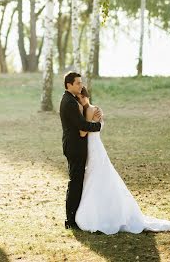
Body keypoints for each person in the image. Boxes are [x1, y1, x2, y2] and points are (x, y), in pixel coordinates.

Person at [74, 86, 170, 234]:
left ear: (86, 96)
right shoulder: (95, 109)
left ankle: (99, 214)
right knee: (98, 174)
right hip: (95, 145)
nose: (81, 100)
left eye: (82, 97)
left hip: (93, 146)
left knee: (96, 174)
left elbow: (84, 130)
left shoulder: (90, 110)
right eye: (79, 98)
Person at [59, 72, 103, 229]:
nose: (81, 85)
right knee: (75, 182)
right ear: (68, 85)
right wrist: (98, 126)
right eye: (77, 83)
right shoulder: (69, 102)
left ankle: (74, 217)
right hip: (74, 147)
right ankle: (70, 220)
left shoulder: (71, 100)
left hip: (75, 146)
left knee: (77, 182)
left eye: (81, 82)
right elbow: (82, 126)